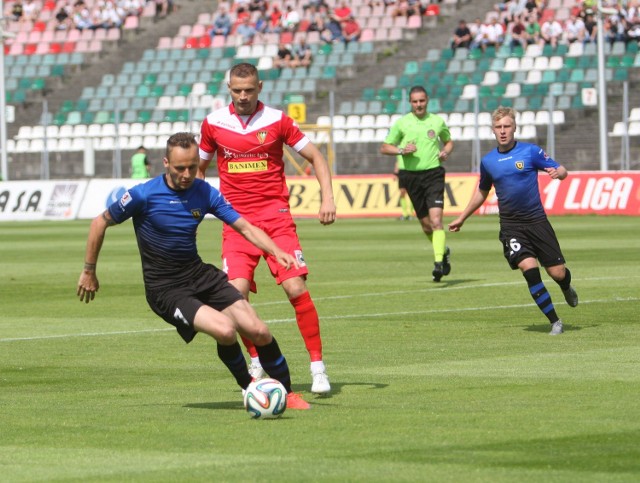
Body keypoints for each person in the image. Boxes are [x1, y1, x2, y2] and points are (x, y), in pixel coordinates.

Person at [76, 132, 311, 410]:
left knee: (258, 329)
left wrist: (276, 251)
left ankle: (287, 391)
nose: (187, 174)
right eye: (179, 168)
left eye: (192, 167)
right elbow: (98, 223)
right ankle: (251, 389)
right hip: (166, 289)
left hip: (199, 274)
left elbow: (245, 227)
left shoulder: (205, 192)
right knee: (225, 331)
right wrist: (89, 270)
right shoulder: (143, 195)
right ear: (166, 163)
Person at [197, 63, 336, 395]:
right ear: (228, 89)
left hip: (275, 219)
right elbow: (198, 168)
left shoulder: (278, 120)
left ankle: (317, 367)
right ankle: (256, 361)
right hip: (236, 224)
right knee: (236, 296)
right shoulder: (213, 123)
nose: (243, 96)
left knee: (296, 289)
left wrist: (327, 198)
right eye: (236, 90)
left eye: (249, 90)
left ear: (259, 87)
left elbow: (316, 156)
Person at [448, 107, 578, 336]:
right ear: (493, 130)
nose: (503, 131)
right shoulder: (488, 162)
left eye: (507, 126)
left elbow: (562, 169)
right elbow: (482, 191)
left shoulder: (530, 152)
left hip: (537, 221)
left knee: (556, 272)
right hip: (511, 226)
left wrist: (560, 173)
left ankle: (566, 286)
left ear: (514, 127)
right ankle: (555, 321)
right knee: (529, 270)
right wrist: (462, 217)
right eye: (498, 127)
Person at [380, 86, 453, 282]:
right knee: (426, 226)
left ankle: (438, 263)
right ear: (410, 103)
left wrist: (446, 151)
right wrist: (402, 150)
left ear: (427, 100)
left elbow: (448, 141)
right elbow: (385, 147)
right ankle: (443, 251)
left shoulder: (437, 121)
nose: (418, 105)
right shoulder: (402, 123)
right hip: (410, 177)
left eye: (421, 101)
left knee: (437, 221)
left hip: (433, 174)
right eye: (415, 101)